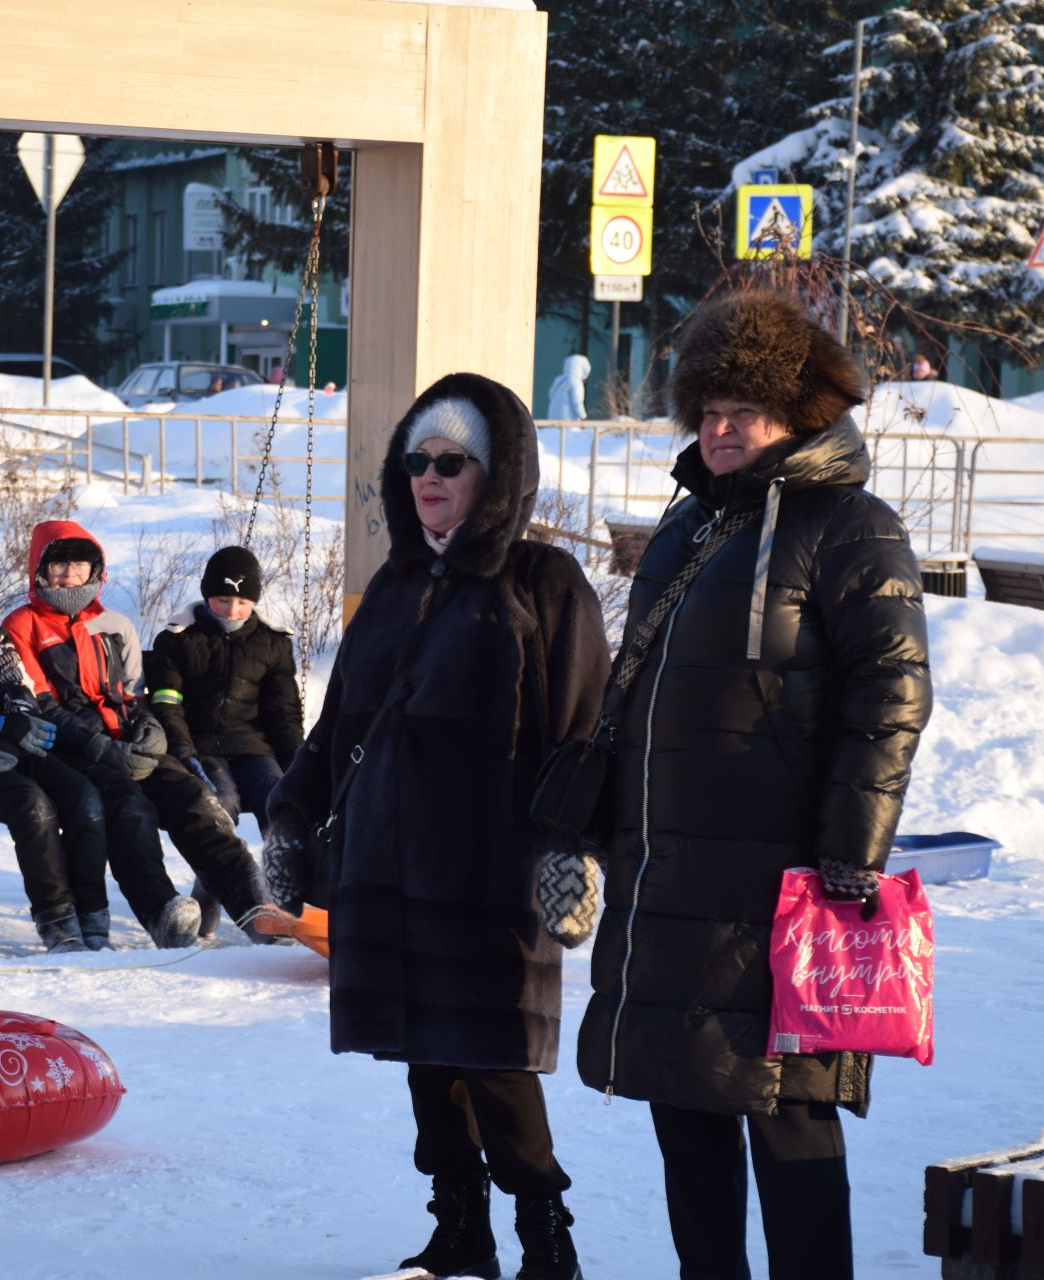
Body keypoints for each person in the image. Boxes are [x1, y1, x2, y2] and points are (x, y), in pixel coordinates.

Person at [577, 290, 931, 1280]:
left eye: (747, 409)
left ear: (796, 415)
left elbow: (892, 694)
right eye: (710, 408)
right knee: (684, 1109)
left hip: (787, 890)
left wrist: (848, 856)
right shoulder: (692, 531)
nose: (722, 428)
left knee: (791, 1120)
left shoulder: (851, 525)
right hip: (672, 878)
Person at [263, 373, 612, 1280]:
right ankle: (460, 1232)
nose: (430, 475)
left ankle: (547, 1239)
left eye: (452, 461)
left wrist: (571, 849)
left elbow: (583, 731)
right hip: (389, 866)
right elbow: (339, 723)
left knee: (493, 1062)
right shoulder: (395, 583)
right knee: (426, 1060)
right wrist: (293, 815)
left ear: (495, 474)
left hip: (488, 871)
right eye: (417, 459)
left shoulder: (543, 582)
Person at [2, 520, 282, 948]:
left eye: (79, 565)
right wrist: (98, 746)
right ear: (39, 570)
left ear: (95, 568)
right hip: (71, 752)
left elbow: (134, 694)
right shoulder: (22, 626)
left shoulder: (115, 624)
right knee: (129, 808)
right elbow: (41, 705)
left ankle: (255, 907)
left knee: (196, 800)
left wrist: (149, 728)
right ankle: (162, 910)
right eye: (58, 566)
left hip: (127, 742)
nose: (69, 575)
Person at [0, 585, 114, 953]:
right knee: (32, 805)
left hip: (16, 744)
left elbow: (20, 687)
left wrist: (14, 731)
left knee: (83, 796)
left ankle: (94, 916)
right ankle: (57, 921)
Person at [147, 545, 303, 935]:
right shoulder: (178, 640)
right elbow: (167, 704)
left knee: (280, 800)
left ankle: (291, 904)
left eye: (242, 602)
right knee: (221, 804)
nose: (232, 611)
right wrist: (183, 751)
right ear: (206, 594)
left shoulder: (272, 643)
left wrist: (298, 763)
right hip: (202, 746)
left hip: (253, 747)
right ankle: (210, 905)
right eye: (223, 600)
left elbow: (282, 712)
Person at [546, 353, 590, 421]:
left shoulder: (559, 380)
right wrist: (584, 417)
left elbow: (550, 394)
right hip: (568, 420)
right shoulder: (576, 382)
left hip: (552, 419)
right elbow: (577, 403)